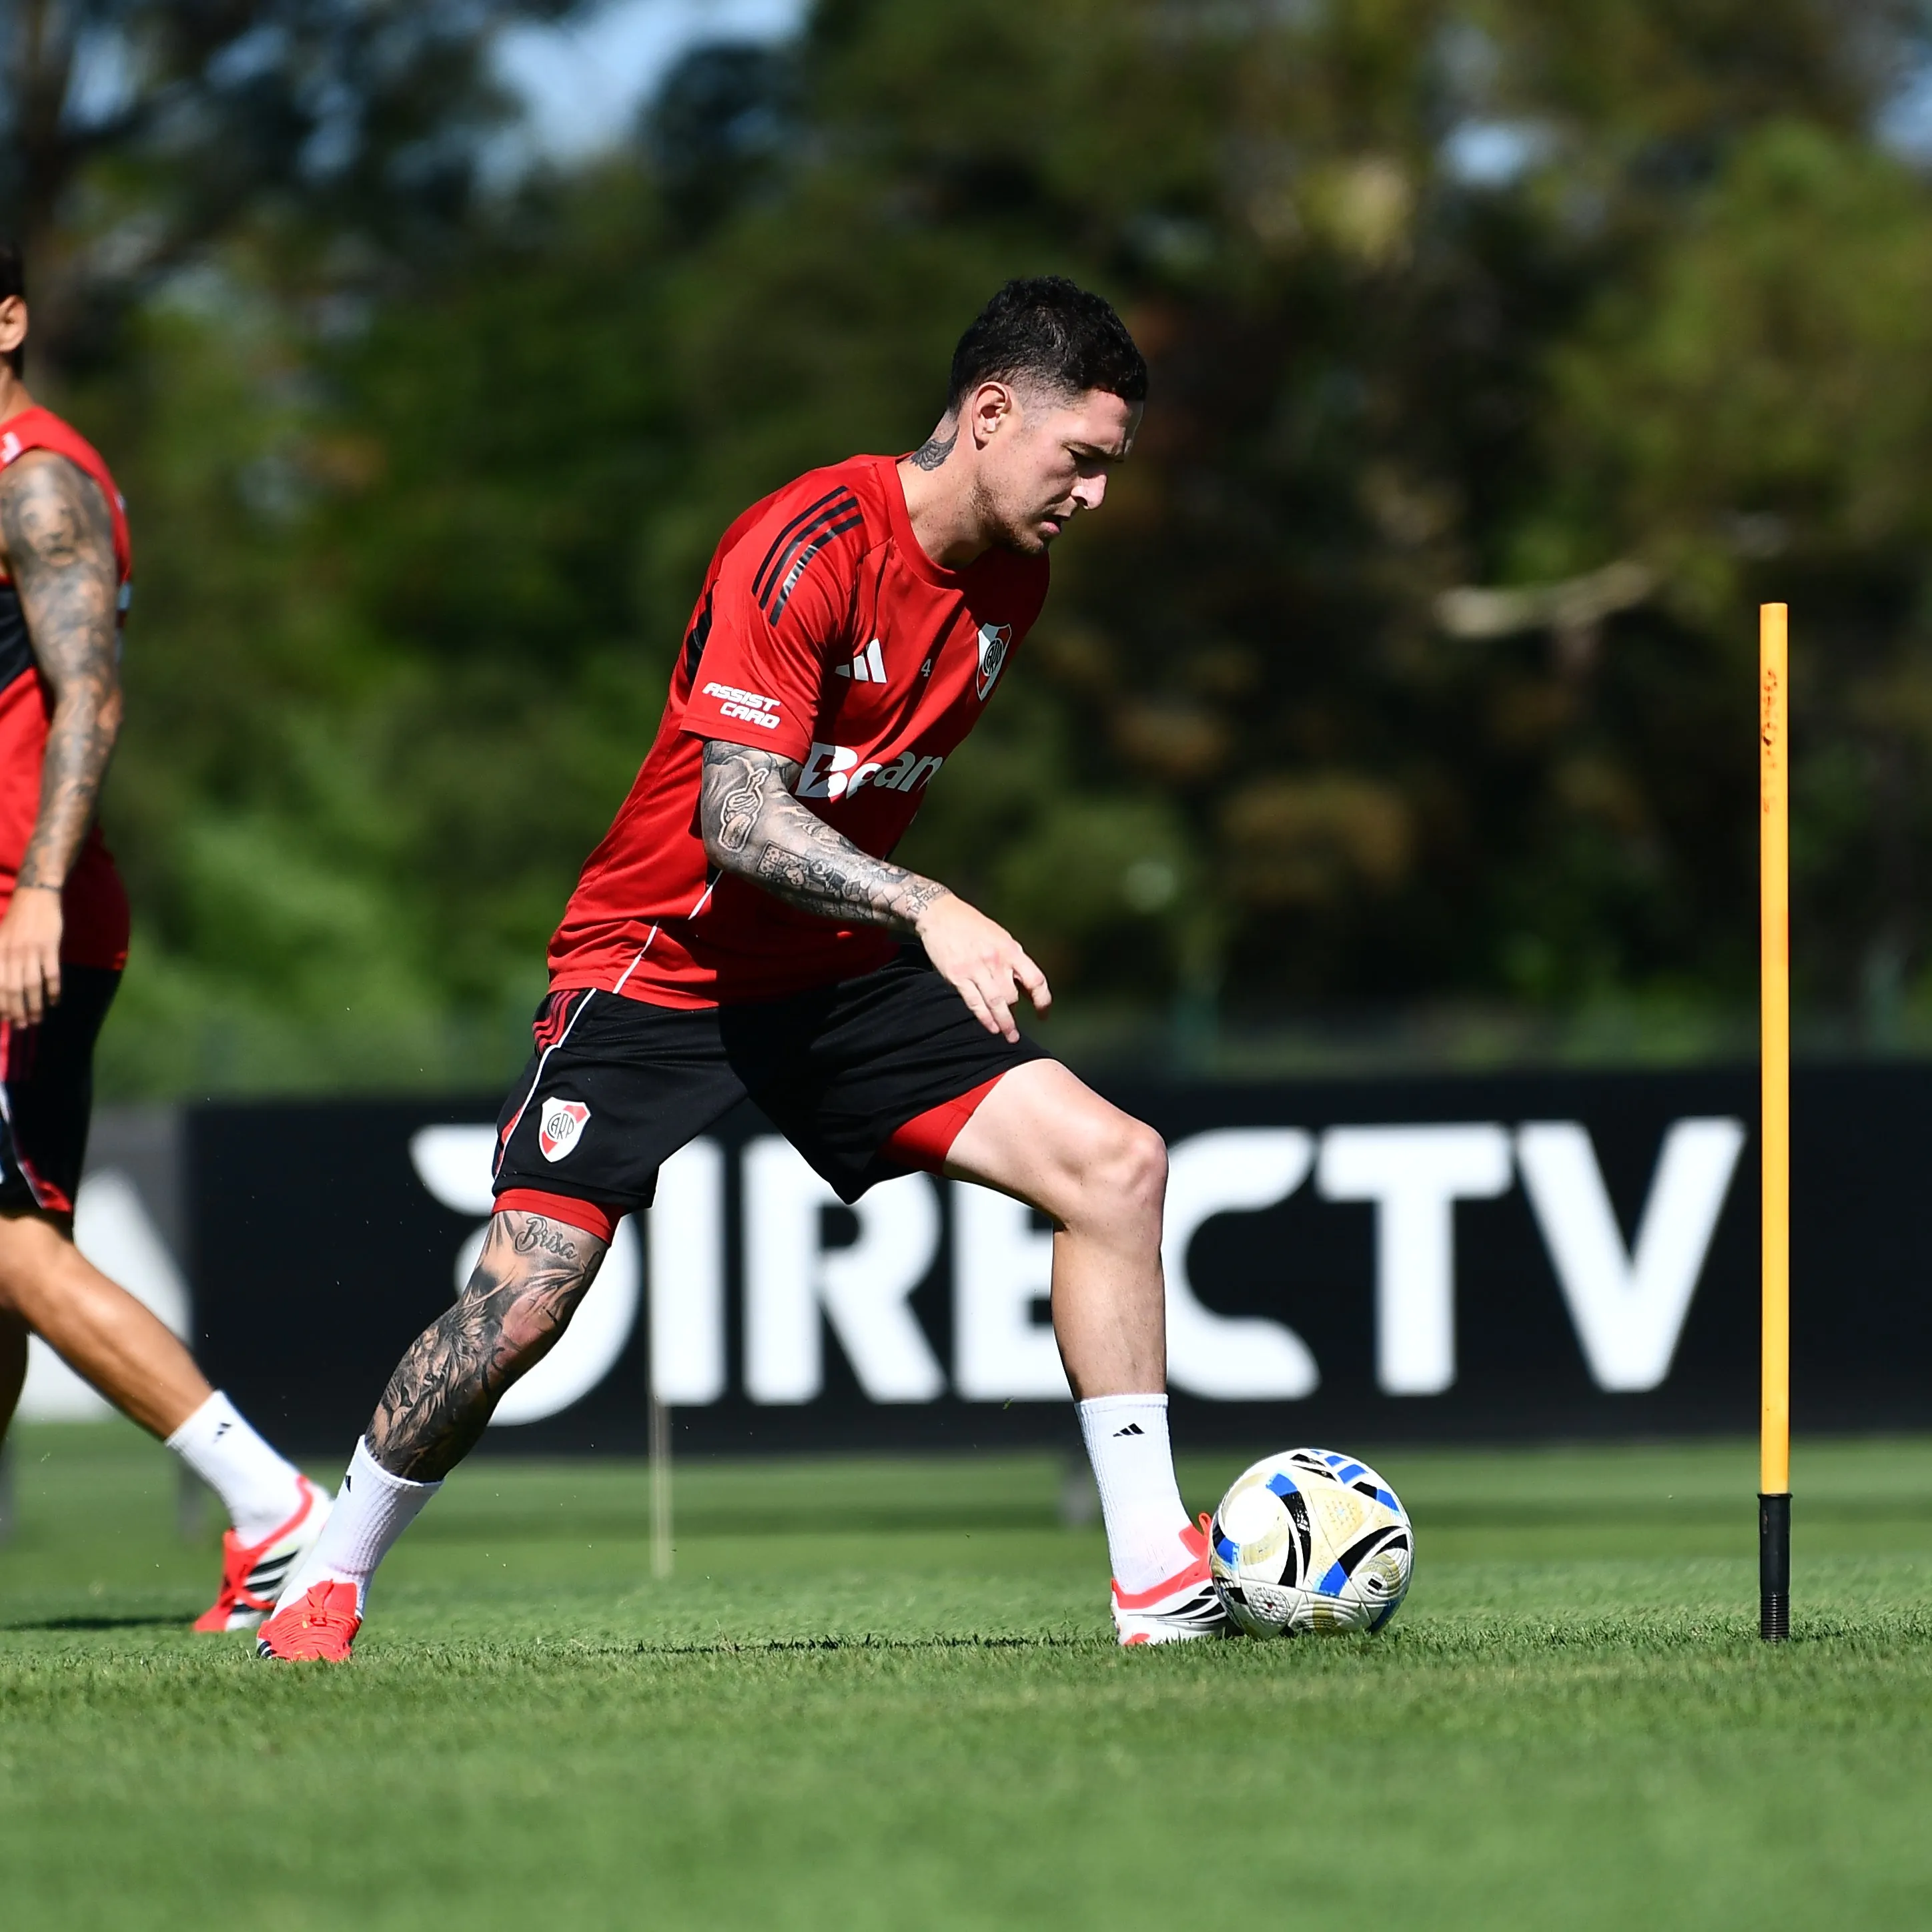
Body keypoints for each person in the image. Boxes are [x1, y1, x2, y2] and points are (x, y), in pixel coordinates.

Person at [260, 274, 1223, 1660]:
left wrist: (897, 917)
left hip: (830, 969)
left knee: (1116, 1166)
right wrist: (929, 904)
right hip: (657, 961)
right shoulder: (803, 542)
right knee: (525, 1297)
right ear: (990, 412)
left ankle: (1154, 1578)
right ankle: (325, 1573)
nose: (1092, 496)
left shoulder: (1016, 576)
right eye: (1080, 460)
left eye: (1108, 471)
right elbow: (737, 814)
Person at [0, 244, 327, 1630]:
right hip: (35, 902)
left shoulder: (31, 474)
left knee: (3, 1240)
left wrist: (34, 887)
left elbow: (93, 698)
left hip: (19, 904)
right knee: (12, 1262)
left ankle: (274, 1512)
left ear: (8, 317)